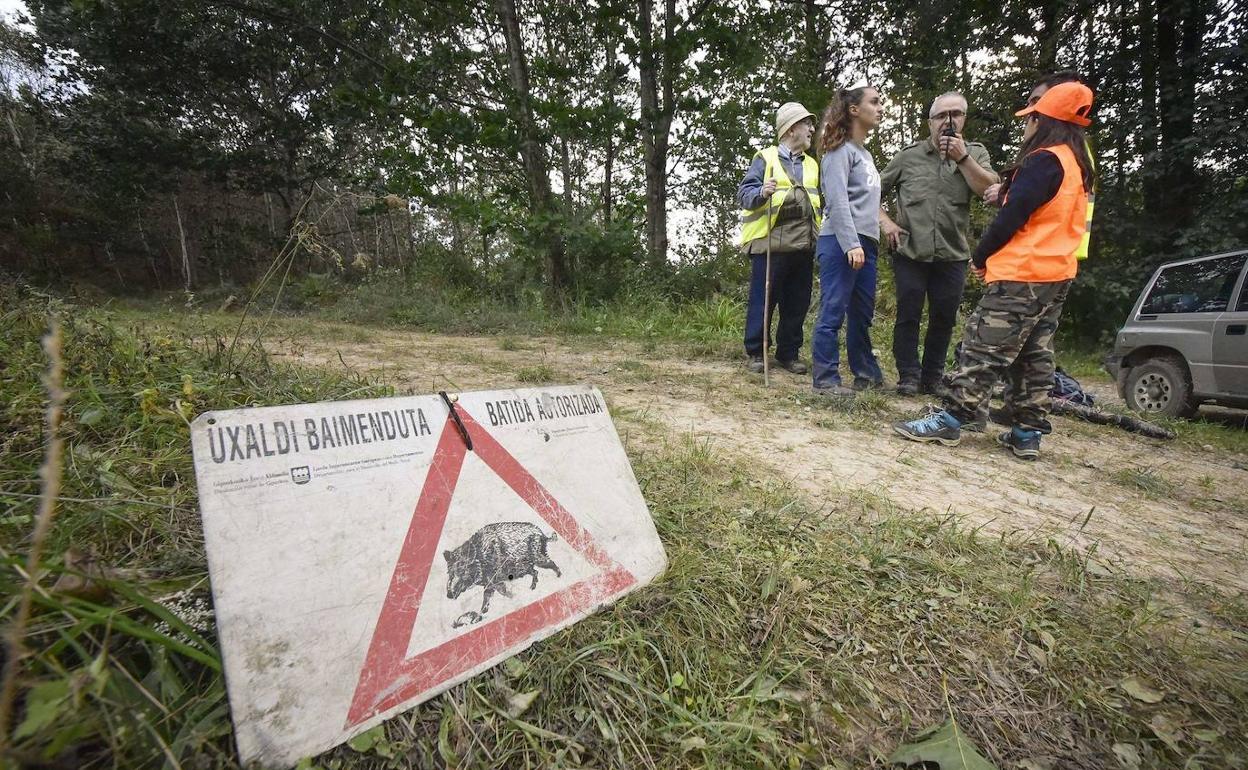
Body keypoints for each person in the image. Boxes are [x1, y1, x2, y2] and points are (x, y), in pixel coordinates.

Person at [893, 80, 1096, 460]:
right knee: (1034, 354)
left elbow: (1013, 216)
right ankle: (1027, 431)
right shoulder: (1076, 162)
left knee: (982, 345)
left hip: (1024, 272)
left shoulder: (1044, 159)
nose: (1026, 124)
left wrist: (981, 255)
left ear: (1043, 119)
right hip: (1057, 272)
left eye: (1031, 116)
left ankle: (952, 419)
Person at [879, 91, 999, 397]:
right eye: (941, 115)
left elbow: (990, 191)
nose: (948, 121)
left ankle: (932, 377)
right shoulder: (908, 157)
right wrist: (886, 222)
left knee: (943, 318)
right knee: (909, 313)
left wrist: (962, 158)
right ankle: (908, 374)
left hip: (953, 254)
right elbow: (869, 192)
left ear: (964, 120)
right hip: (910, 251)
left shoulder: (975, 154)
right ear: (930, 122)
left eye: (955, 114)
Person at [737, 102, 822, 375]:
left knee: (797, 301)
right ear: (790, 129)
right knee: (764, 300)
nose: (812, 129)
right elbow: (744, 195)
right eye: (806, 124)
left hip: (804, 244)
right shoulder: (766, 158)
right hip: (770, 244)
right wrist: (762, 191)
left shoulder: (812, 165)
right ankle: (756, 351)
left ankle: (789, 353)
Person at [810, 82, 884, 396]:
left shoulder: (864, 154)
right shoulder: (838, 150)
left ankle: (866, 373)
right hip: (841, 241)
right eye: (875, 102)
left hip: (865, 241)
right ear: (854, 110)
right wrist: (850, 243)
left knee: (862, 314)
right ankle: (825, 380)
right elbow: (837, 200)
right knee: (833, 309)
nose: (881, 108)